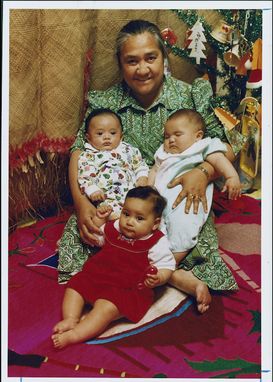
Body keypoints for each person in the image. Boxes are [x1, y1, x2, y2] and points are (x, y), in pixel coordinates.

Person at [58, 19, 244, 313]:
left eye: (150, 58)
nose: (142, 69)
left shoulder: (189, 95)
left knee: (184, 240)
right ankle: (165, 277)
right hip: (123, 201)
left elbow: (225, 146)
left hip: (175, 198)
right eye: (131, 61)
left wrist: (203, 172)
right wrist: (82, 205)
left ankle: (156, 273)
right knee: (95, 238)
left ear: (164, 58)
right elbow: (79, 152)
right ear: (120, 64)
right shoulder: (106, 102)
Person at [52, 186, 176, 349]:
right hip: (97, 277)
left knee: (105, 308)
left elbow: (167, 265)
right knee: (75, 285)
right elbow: (95, 239)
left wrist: (159, 277)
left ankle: (75, 335)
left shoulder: (156, 242)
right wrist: (99, 220)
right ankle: (71, 318)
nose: (129, 222)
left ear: (155, 223)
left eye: (139, 218)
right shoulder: (115, 227)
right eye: (126, 214)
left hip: (126, 290)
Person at [148, 108, 241, 267]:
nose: (171, 140)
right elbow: (155, 169)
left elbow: (219, 160)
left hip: (187, 199)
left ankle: (171, 262)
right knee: (153, 230)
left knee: (183, 226)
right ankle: (153, 259)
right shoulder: (164, 152)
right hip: (158, 200)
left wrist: (231, 176)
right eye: (167, 136)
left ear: (197, 136)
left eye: (178, 135)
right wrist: (148, 188)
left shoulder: (202, 146)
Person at [77, 107, 149, 230]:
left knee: (143, 211)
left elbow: (140, 164)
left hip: (132, 195)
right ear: (88, 137)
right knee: (100, 217)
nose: (106, 137)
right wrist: (93, 190)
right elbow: (84, 177)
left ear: (121, 135)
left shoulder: (128, 149)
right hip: (107, 198)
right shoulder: (88, 156)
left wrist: (142, 177)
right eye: (100, 134)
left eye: (112, 133)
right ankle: (103, 233)